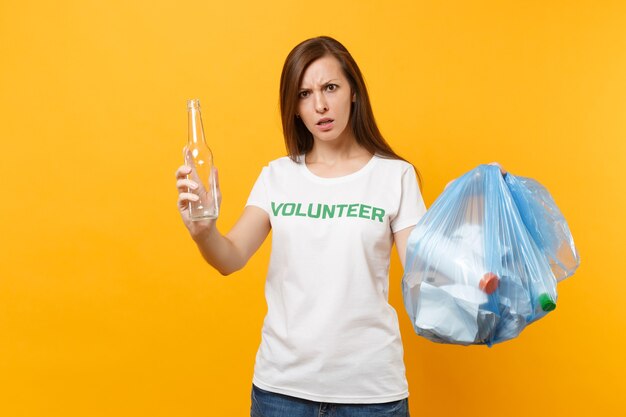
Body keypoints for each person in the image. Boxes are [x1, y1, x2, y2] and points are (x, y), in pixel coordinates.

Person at [176, 36, 496, 417]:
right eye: (304, 94)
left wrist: (473, 207)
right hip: (282, 392)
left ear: (354, 92)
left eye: (330, 87)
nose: (320, 105)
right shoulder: (277, 176)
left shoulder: (395, 176)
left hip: (372, 394)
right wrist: (203, 232)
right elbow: (229, 257)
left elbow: (424, 267)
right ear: (293, 108)